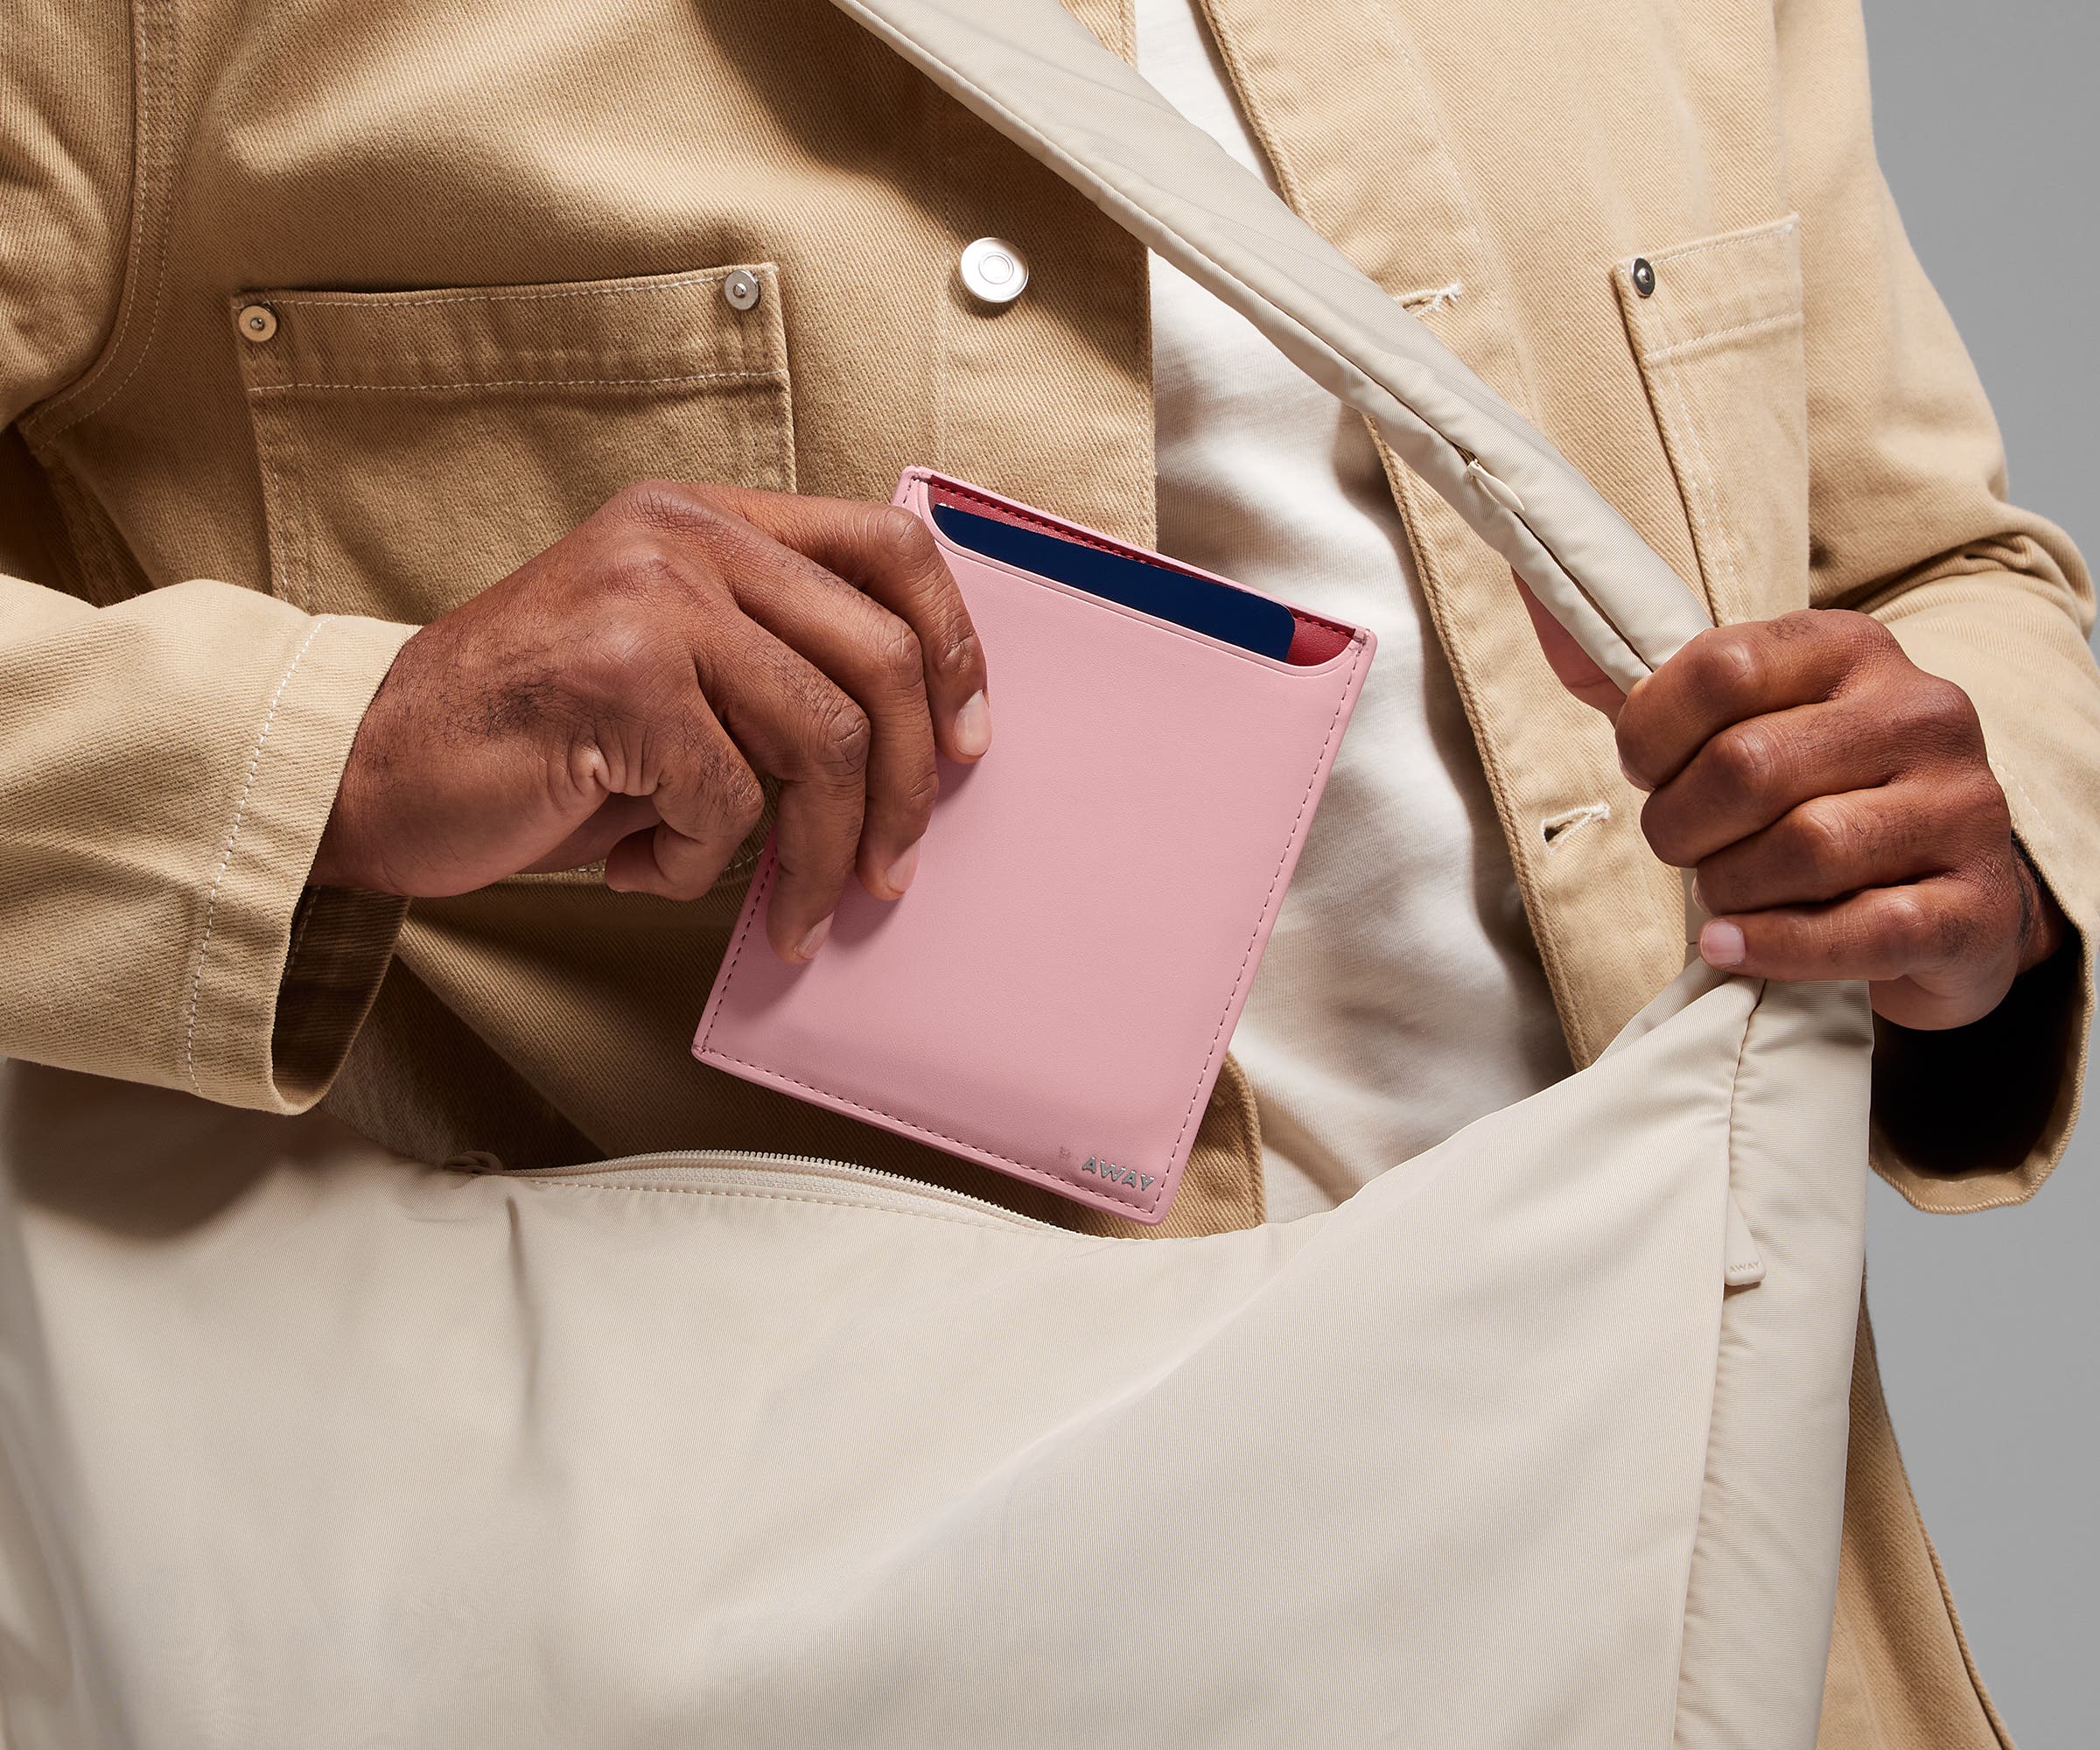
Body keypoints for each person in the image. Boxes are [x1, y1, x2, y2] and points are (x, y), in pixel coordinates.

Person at [1, 0, 2090, 1742]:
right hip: (769, 1653)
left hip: (1688, 1611)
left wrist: (1960, 818)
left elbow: (1934, 571)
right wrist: (350, 745)